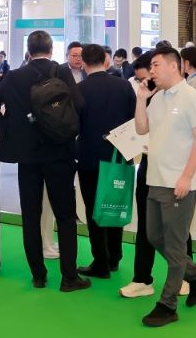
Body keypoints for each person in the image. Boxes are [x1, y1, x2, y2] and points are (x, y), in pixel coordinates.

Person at [0, 30, 88, 292]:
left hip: (27, 156)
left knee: (31, 216)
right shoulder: (61, 72)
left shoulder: (15, 76)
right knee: (65, 216)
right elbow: (80, 105)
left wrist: (7, 127)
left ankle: (38, 275)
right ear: (51, 50)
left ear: (28, 52)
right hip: (60, 153)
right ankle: (69, 277)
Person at [132, 47, 196, 327]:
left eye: (155, 65)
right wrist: (141, 99)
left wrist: (186, 177)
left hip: (179, 184)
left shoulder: (191, 97)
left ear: (173, 66)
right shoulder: (157, 97)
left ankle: (167, 305)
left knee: (176, 246)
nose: (151, 70)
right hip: (155, 179)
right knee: (155, 236)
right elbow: (141, 129)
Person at [76, 43, 136, 279]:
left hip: (89, 158)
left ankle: (100, 261)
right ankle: (114, 257)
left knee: (94, 209)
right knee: (115, 205)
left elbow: (74, 125)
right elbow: (135, 121)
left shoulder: (79, 89)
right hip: (119, 157)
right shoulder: (124, 86)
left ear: (83, 63)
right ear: (106, 60)